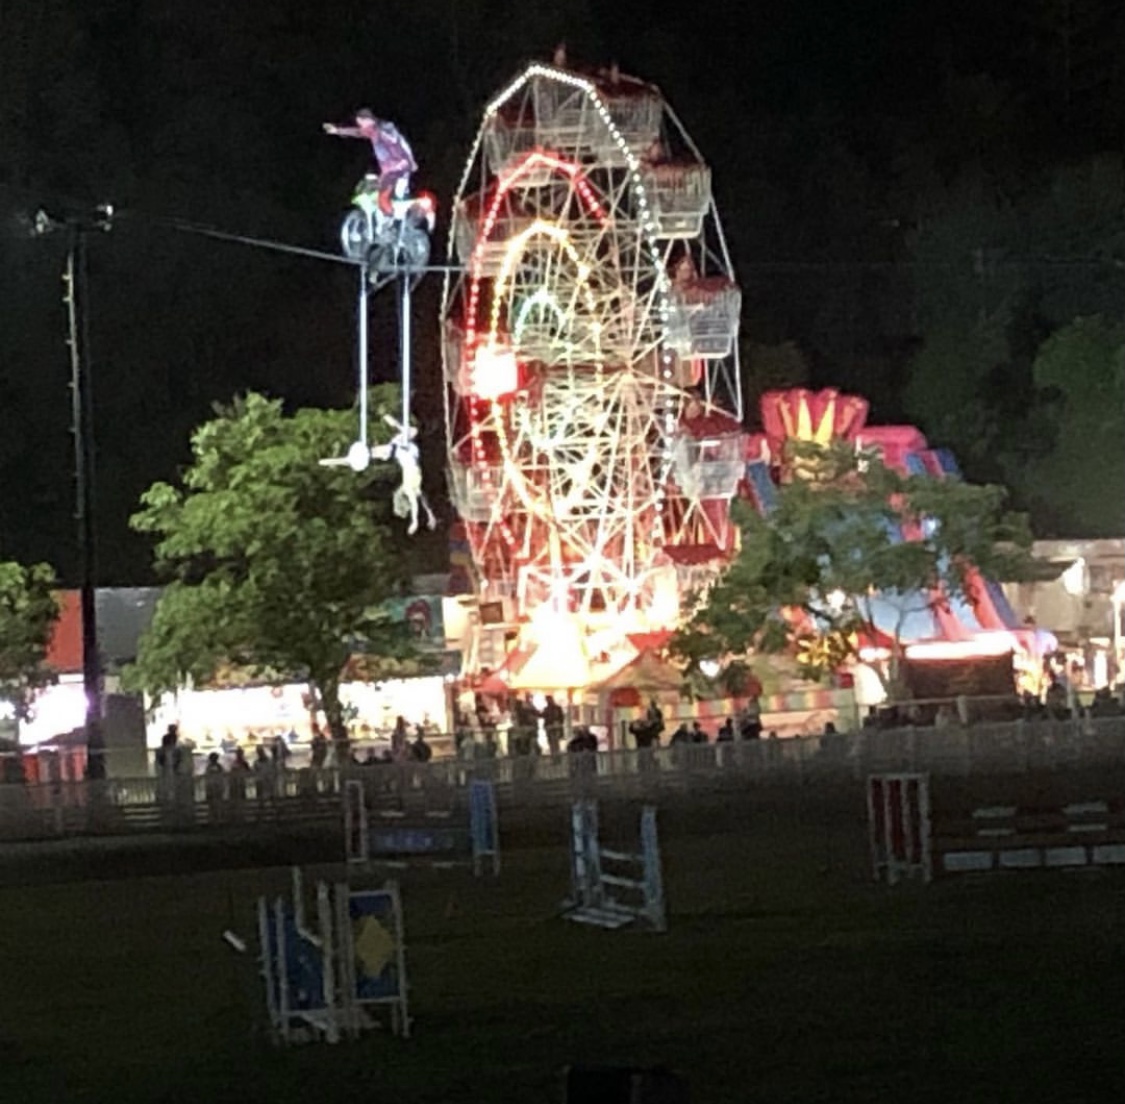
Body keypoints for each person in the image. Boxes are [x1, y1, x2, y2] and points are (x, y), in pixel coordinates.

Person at [323, 108, 417, 216]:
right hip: (396, 168)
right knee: (393, 194)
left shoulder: (379, 130)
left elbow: (399, 144)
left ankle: (393, 221)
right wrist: (337, 131)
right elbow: (358, 132)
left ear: (367, 120)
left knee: (382, 198)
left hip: (396, 168)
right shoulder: (376, 129)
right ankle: (397, 217)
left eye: (361, 123)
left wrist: (408, 161)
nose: (361, 126)